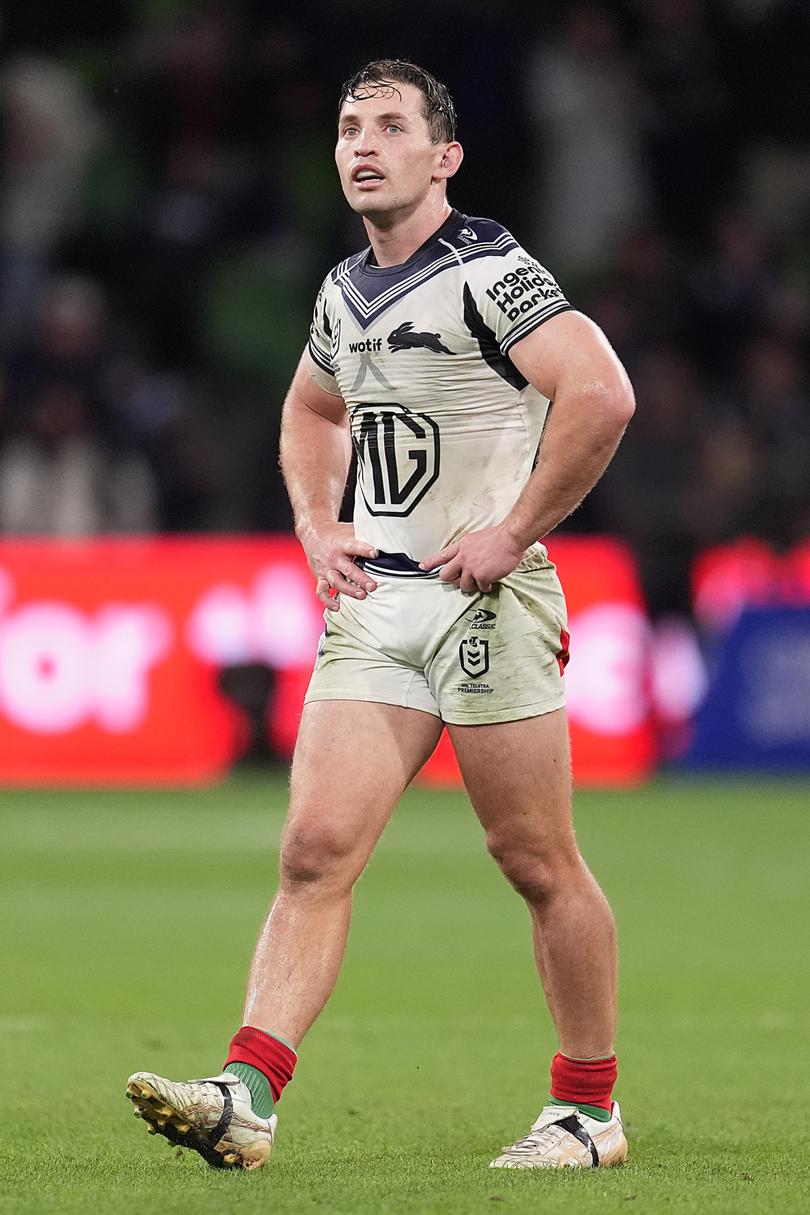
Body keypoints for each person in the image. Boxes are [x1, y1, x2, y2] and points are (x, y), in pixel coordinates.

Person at [127, 58, 635, 1173]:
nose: (363, 144)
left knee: (535, 859)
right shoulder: (342, 289)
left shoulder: (490, 270)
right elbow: (311, 407)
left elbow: (601, 393)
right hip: (378, 599)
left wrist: (513, 531)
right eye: (351, 126)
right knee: (314, 848)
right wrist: (317, 522)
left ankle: (589, 1113)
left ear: (443, 156)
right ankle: (244, 1096)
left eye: (391, 126)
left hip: (484, 599)